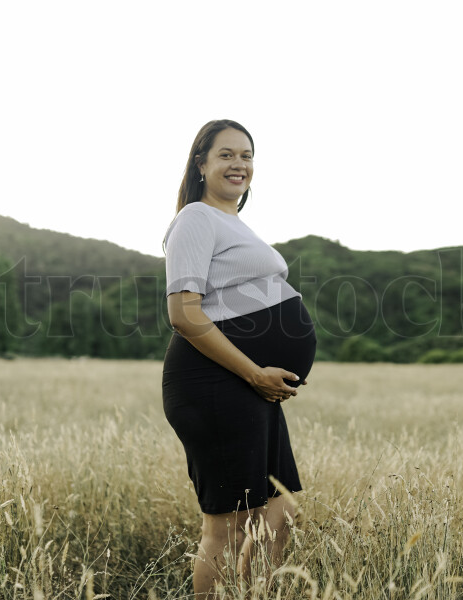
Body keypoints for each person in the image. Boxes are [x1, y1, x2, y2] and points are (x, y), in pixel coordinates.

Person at [161, 119, 317, 597]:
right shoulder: (196, 218)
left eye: (246, 155)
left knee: (280, 509)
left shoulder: (233, 223)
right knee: (228, 527)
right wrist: (254, 373)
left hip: (252, 387)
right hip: (218, 382)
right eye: (225, 154)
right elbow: (183, 314)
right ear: (200, 164)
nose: (239, 164)